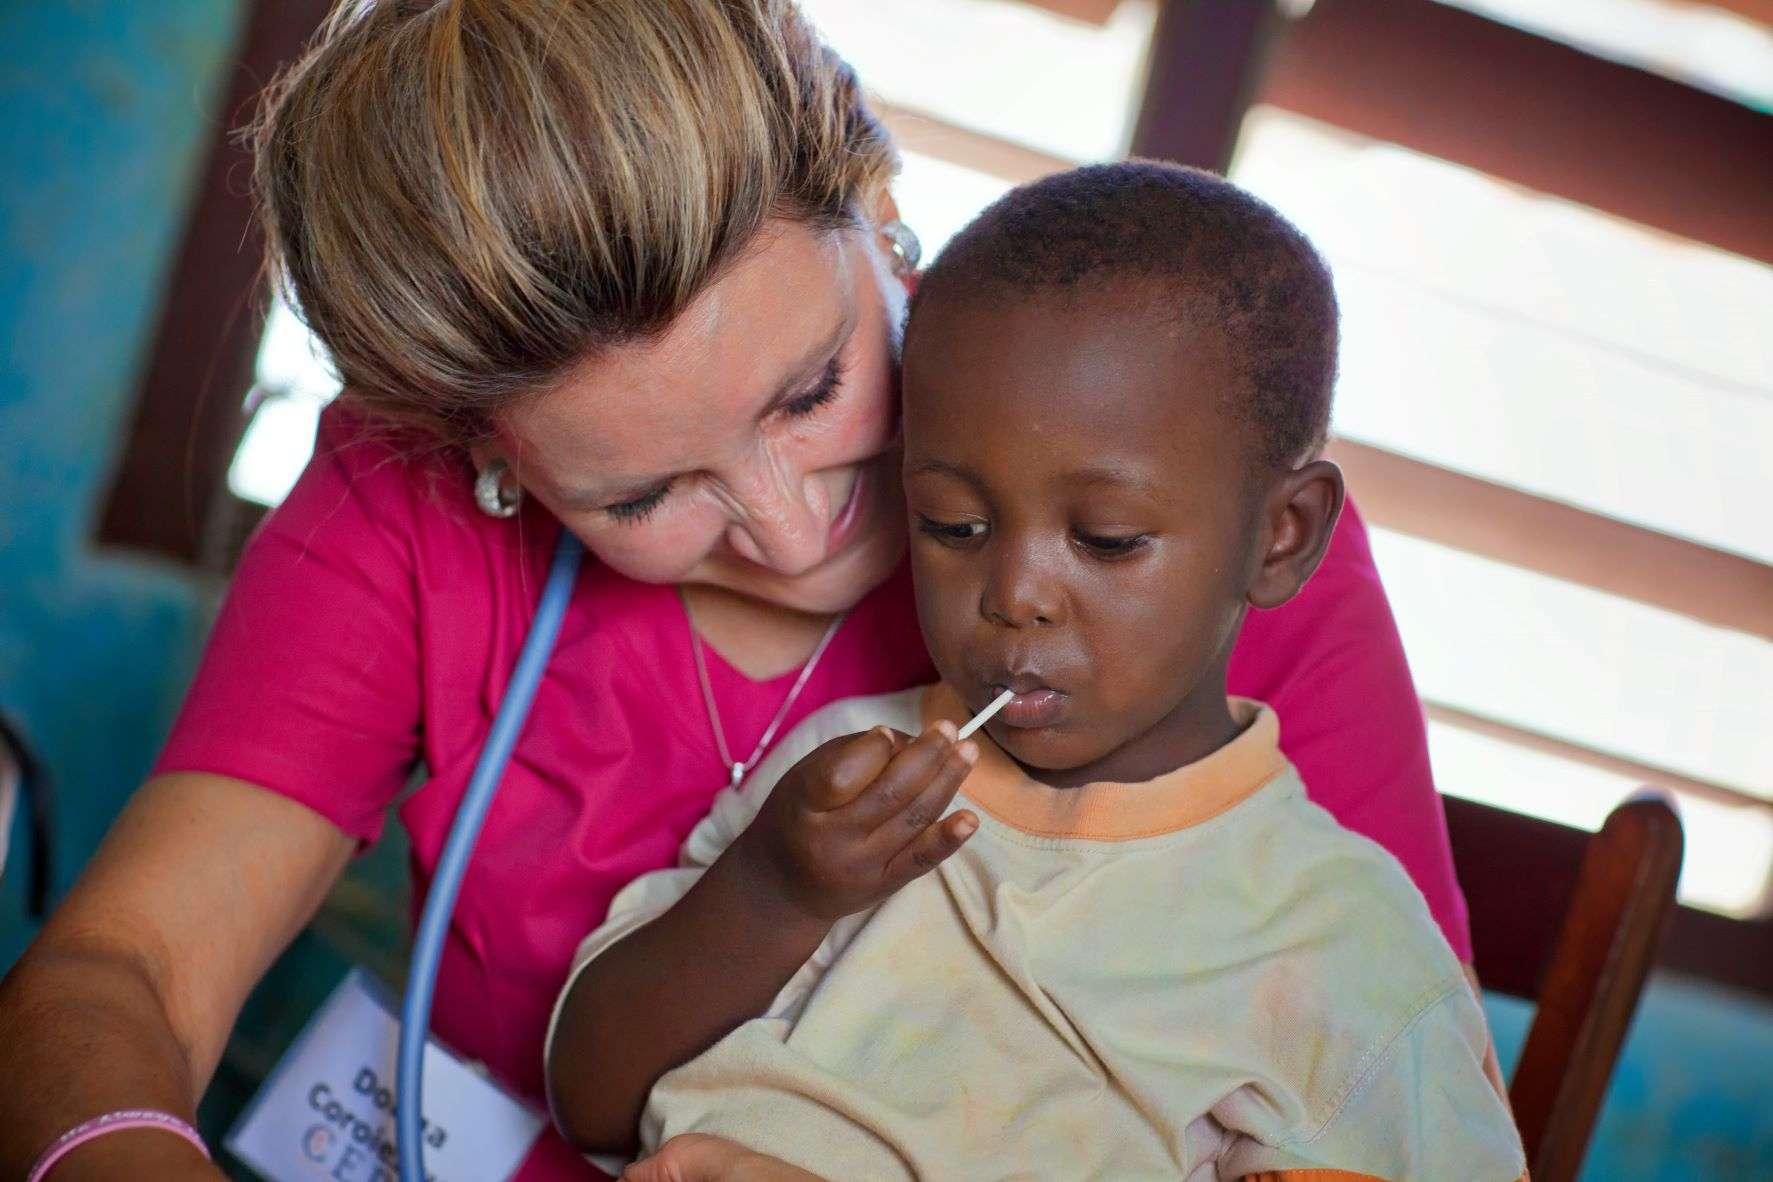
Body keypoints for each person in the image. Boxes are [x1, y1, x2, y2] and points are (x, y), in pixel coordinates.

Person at [0, 4, 1478, 1180]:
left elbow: (1366, 1101)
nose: (784, 530)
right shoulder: (405, 507)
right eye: (640, 496)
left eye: (813, 385)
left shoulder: (1181, 519)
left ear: (878, 210)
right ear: (490, 458)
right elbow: (125, 971)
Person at [549, 163, 1524, 1181]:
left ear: (1280, 537)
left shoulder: (1339, 951)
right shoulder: (849, 781)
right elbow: (593, 1097)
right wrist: (775, 891)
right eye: (954, 525)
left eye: (1106, 540)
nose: (1016, 592)